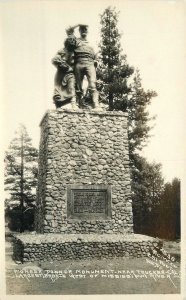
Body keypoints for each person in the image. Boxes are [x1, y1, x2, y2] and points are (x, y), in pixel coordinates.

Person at [64, 24, 100, 109]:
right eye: (82, 29)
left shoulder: (90, 44)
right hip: (79, 63)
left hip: (90, 64)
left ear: (87, 32)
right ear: (79, 31)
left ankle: (96, 104)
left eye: (85, 30)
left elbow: (95, 56)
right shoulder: (75, 41)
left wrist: (96, 61)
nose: (84, 31)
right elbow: (68, 30)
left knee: (93, 84)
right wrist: (78, 24)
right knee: (78, 86)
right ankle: (76, 104)